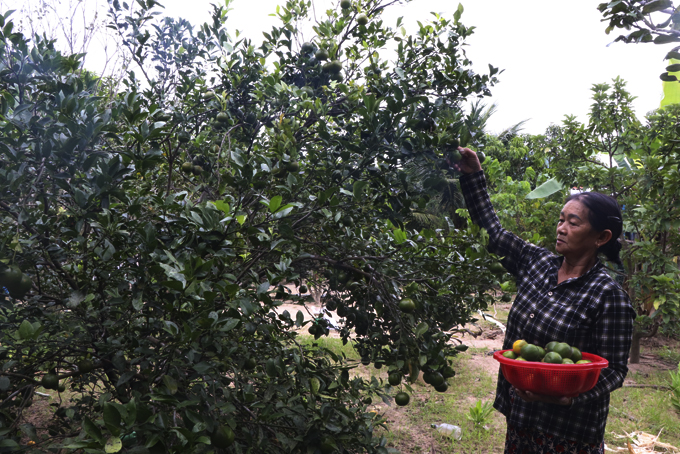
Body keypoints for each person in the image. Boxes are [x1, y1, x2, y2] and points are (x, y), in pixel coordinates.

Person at [454, 147, 635, 454]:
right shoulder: (537, 263)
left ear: (601, 237)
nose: (561, 228)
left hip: (569, 429)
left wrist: (572, 396)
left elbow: (615, 370)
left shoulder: (609, 296)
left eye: (573, 223)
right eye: (561, 219)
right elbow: (494, 233)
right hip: (522, 415)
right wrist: (473, 177)